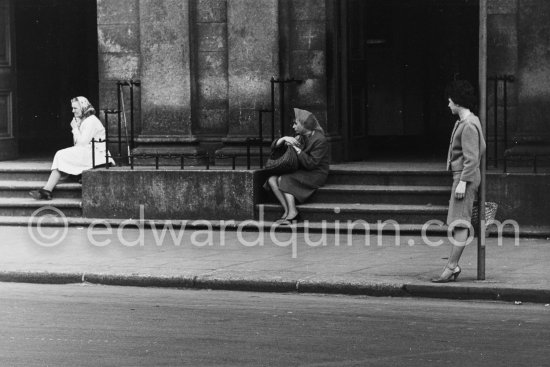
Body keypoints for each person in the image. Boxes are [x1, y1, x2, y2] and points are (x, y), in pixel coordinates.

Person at [431, 80, 486, 283]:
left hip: (464, 177)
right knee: (456, 222)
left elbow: (472, 158)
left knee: (460, 223)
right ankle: (452, 266)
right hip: (462, 176)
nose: (448, 105)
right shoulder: (466, 122)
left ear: (458, 102)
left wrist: (463, 181)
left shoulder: (469, 125)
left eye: (450, 101)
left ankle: (452, 267)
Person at [29, 96, 114, 200]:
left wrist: (75, 129)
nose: (73, 111)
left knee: (60, 154)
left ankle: (47, 190)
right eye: (72, 108)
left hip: (97, 155)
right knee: (61, 155)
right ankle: (47, 190)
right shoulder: (85, 120)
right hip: (88, 152)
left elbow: (81, 143)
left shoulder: (91, 120)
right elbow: (77, 144)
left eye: (75, 108)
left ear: (83, 107)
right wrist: (77, 127)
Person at [267, 108, 329, 224]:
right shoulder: (300, 136)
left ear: (304, 125)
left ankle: (293, 213)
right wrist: (283, 139)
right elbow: (274, 148)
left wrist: (297, 149)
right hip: (301, 170)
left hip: (316, 173)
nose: (293, 127)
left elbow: (312, 164)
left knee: (283, 178)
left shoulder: (320, 140)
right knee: (271, 180)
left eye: (296, 123)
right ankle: (287, 211)